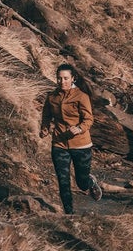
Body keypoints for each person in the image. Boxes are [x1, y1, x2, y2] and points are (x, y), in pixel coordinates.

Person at [39, 63, 102, 214]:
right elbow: (46, 115)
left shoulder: (81, 96)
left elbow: (89, 119)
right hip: (59, 144)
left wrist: (79, 128)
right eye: (59, 79)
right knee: (63, 181)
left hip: (81, 145)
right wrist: (45, 128)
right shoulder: (52, 97)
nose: (62, 82)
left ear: (73, 78)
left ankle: (90, 181)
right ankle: (69, 214)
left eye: (66, 78)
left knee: (81, 183)